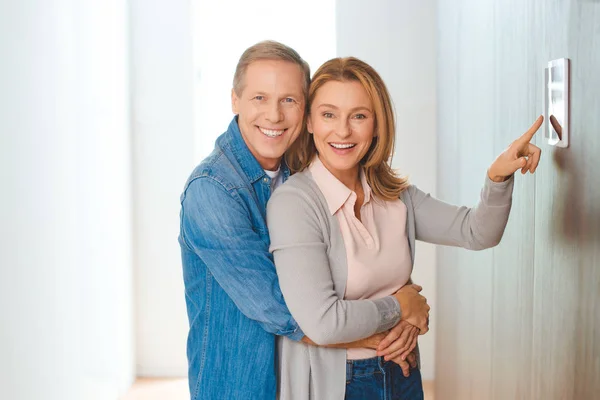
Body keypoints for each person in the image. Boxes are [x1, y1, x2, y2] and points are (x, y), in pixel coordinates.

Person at [267, 57, 543, 399]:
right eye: (328, 114)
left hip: (402, 370)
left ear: (377, 125)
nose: (342, 131)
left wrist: (498, 176)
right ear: (309, 122)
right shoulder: (294, 203)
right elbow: (324, 323)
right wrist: (402, 306)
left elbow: (477, 231)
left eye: (359, 116)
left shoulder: (395, 196)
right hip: (340, 384)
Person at [179, 41, 428, 400]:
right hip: (241, 386)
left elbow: (352, 265)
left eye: (289, 100)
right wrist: (395, 315)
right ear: (235, 100)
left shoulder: (300, 173)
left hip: (303, 382)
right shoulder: (212, 192)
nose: (274, 116)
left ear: (306, 110)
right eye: (259, 98)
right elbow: (286, 309)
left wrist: (402, 308)